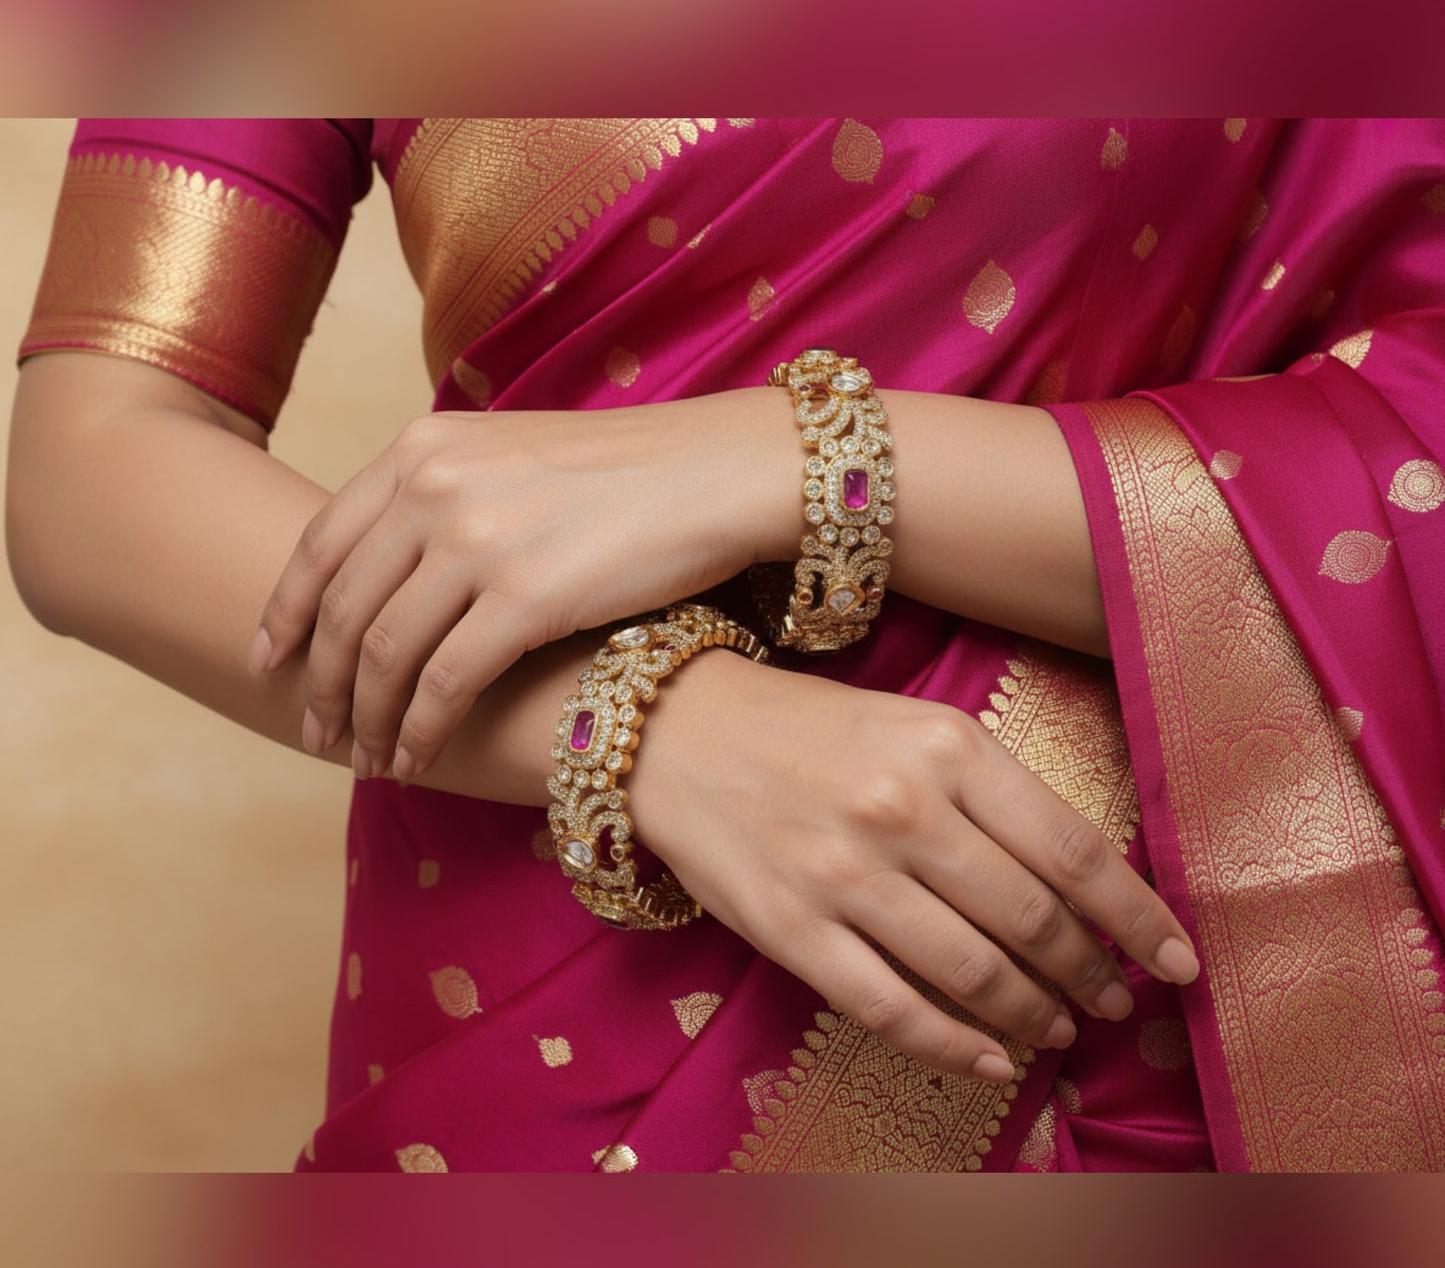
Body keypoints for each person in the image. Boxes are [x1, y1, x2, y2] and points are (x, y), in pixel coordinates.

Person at [9, 118, 1444, 1173]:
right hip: (552, 986)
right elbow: (95, 463)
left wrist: (801, 460)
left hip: (1129, 976)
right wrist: (647, 729)